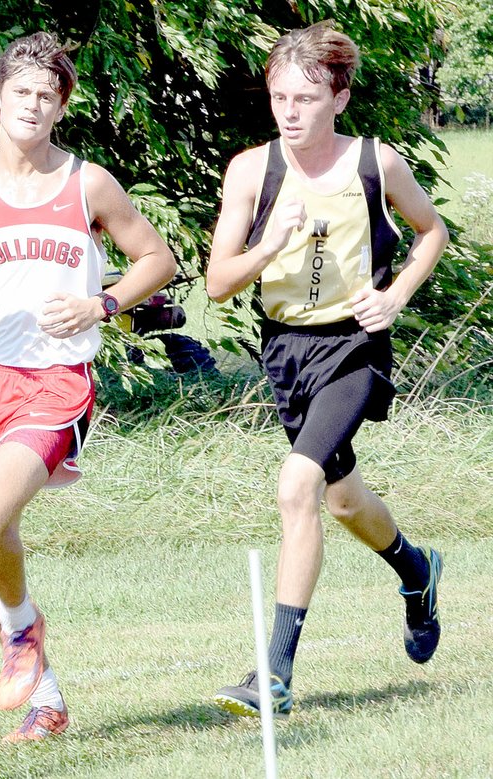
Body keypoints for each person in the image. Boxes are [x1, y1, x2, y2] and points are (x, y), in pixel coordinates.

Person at [206, 21, 449, 718]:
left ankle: (273, 674)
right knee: (341, 500)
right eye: (280, 96)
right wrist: (268, 245)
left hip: (354, 348)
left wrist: (396, 295)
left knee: (297, 484)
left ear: (339, 98)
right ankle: (416, 570)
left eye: (306, 98)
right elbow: (219, 281)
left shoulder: (378, 162)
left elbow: (431, 231)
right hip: (285, 352)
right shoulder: (252, 171)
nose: (289, 110)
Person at [0, 31, 177, 742]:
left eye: (46, 96)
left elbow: (157, 259)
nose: (32, 104)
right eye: (21, 91)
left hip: (56, 380)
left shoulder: (88, 183)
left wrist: (101, 303)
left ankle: (27, 632)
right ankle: (45, 697)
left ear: (61, 108)